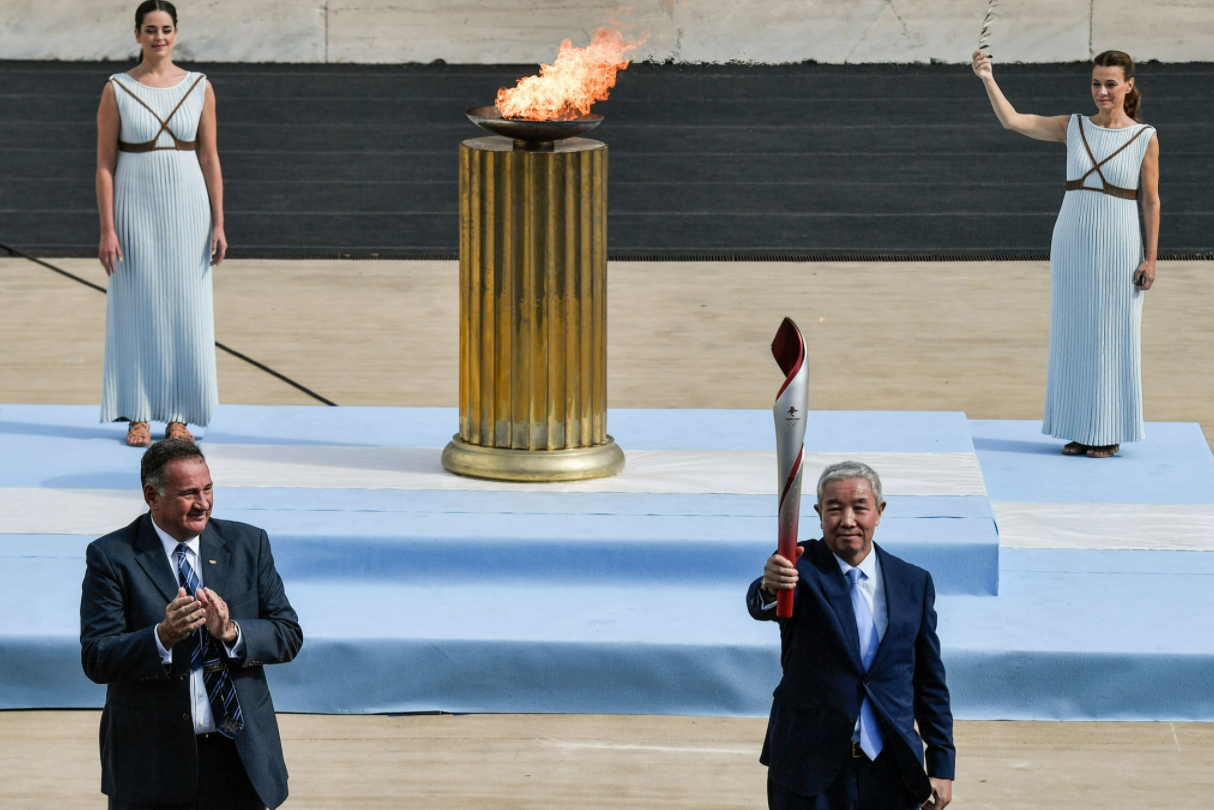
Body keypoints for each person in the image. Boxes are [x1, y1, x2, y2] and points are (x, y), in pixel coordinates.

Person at [80, 439, 302, 810]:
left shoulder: (249, 544)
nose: (203, 503)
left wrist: (232, 633)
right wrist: (161, 637)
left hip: (238, 760)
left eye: (208, 488)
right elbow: (97, 657)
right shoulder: (111, 557)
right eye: (188, 493)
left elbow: (288, 634)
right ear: (152, 495)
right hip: (153, 766)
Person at [972, 49, 1160, 459]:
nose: (1102, 91)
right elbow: (1014, 120)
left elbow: (1151, 202)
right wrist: (987, 78)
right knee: (1074, 334)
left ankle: (1109, 429)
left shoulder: (1144, 136)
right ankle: (1077, 427)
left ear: (1129, 86)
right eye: (1096, 83)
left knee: (1113, 334)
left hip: (1120, 243)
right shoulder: (1073, 127)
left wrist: (1151, 257)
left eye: (1111, 83)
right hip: (1072, 240)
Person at [748, 461, 954, 810]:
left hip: (891, 769)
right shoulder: (799, 568)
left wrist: (941, 764)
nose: (847, 520)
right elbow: (764, 600)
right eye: (834, 509)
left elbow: (929, 682)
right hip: (809, 769)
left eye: (860, 508)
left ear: (879, 511)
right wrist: (770, 586)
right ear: (818, 513)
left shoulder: (913, 583)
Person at [96, 0, 227, 447]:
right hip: (135, 209)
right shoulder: (116, 88)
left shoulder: (199, 86)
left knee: (186, 311)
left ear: (176, 33)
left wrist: (219, 222)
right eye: (150, 29)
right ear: (137, 35)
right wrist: (108, 228)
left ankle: (179, 417)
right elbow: (105, 164)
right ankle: (137, 414)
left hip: (189, 208)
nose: (159, 37)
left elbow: (209, 156)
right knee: (136, 308)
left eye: (166, 28)